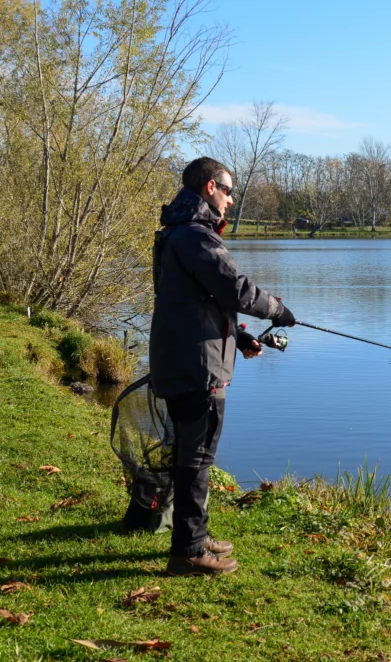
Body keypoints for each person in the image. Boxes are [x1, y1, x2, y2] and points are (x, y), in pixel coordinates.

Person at [149, 157, 295, 576]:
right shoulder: (196, 236)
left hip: (185, 358)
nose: (231, 199)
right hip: (197, 367)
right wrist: (277, 310)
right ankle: (188, 551)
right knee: (196, 457)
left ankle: (194, 533)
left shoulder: (178, 232)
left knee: (194, 454)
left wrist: (242, 335)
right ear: (210, 187)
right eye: (228, 190)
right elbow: (235, 288)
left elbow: (201, 302)